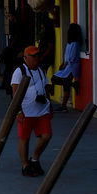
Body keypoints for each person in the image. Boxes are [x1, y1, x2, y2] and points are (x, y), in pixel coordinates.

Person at [11, 44, 52, 176]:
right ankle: (25, 165)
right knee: (25, 138)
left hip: (42, 110)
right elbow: (15, 93)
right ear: (26, 57)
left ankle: (34, 159)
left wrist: (50, 105)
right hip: (26, 112)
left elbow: (46, 87)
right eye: (33, 56)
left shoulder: (41, 70)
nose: (36, 58)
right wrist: (18, 111)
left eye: (37, 55)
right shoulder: (19, 72)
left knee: (47, 136)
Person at [53, 22, 83, 111]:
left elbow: (72, 57)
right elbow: (67, 56)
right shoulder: (70, 43)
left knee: (65, 84)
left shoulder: (75, 44)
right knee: (57, 80)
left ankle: (63, 105)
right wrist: (63, 64)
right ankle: (73, 85)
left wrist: (65, 64)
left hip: (71, 67)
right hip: (67, 66)